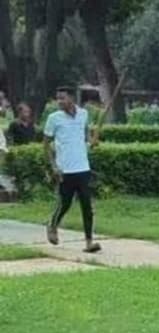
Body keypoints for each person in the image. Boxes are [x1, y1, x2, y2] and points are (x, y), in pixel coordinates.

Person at [44, 86, 100, 252]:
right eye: (58, 98)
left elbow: (86, 137)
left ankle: (89, 242)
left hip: (83, 168)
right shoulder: (54, 118)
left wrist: (92, 142)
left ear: (72, 99)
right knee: (65, 203)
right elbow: (46, 144)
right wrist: (53, 166)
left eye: (63, 98)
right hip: (65, 169)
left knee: (87, 206)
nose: (59, 101)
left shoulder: (83, 114)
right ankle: (52, 225)